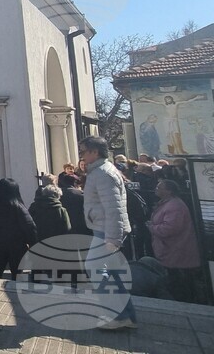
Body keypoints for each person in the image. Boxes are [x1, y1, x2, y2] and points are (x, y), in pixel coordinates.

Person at [79, 135, 137, 331]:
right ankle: (126, 315)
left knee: (96, 269)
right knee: (111, 273)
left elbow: (114, 209)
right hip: (104, 229)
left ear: (95, 152)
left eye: (84, 152)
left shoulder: (103, 173)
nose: (82, 156)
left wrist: (113, 238)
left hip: (106, 231)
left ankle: (118, 315)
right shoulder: (100, 171)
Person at [146, 178, 202, 302]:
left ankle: (185, 302)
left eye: (160, 187)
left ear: (169, 191)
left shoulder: (174, 206)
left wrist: (151, 227)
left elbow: (169, 229)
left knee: (179, 282)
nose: (156, 189)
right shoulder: (168, 203)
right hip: (171, 249)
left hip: (176, 250)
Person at [0, 178, 38, 280]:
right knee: (16, 270)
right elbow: (29, 225)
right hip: (16, 243)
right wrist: (32, 242)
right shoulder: (17, 205)